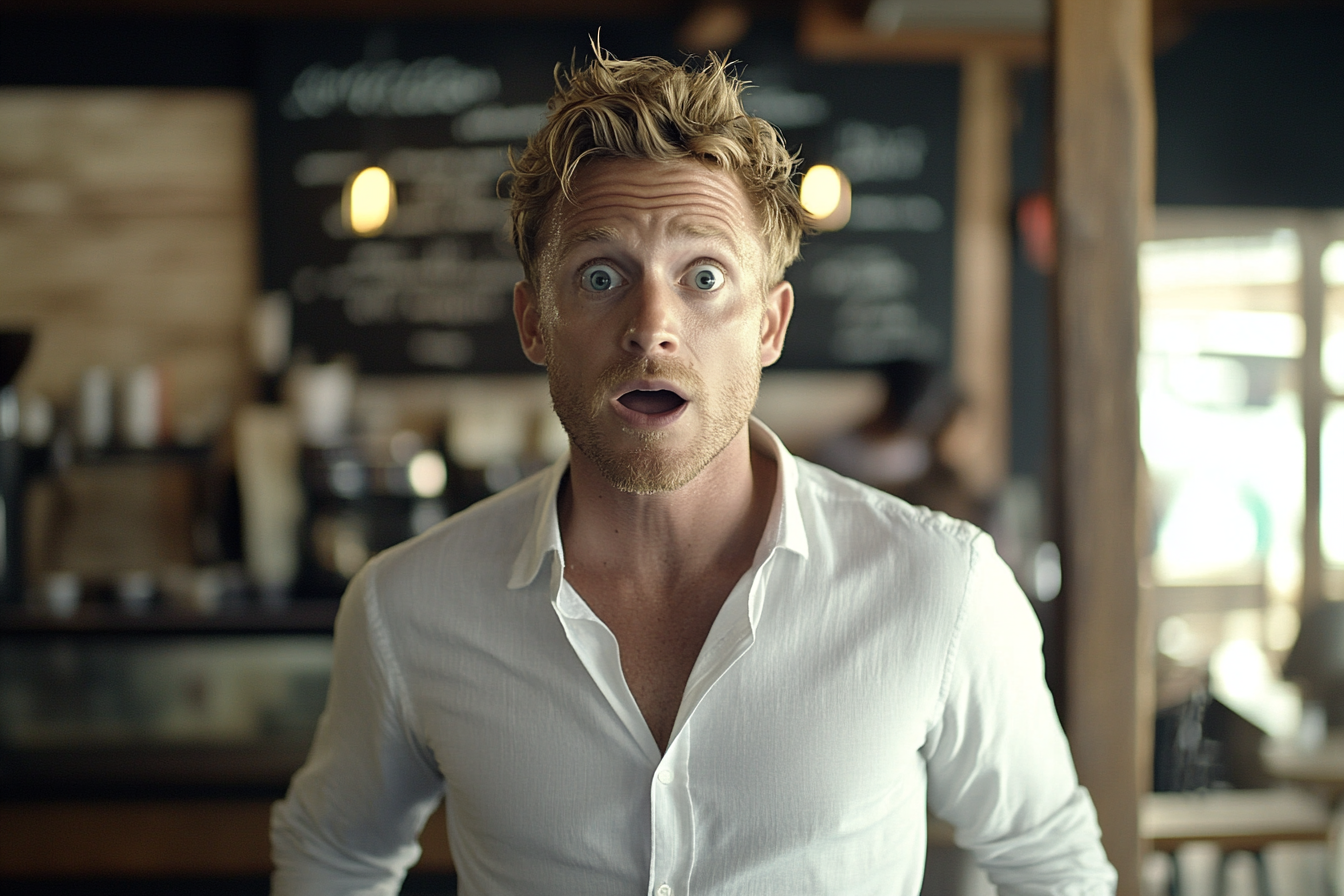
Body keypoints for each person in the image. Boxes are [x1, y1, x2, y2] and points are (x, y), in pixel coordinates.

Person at [271, 49, 1117, 896]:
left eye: (704, 277)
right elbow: (335, 856)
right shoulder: (406, 608)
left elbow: (1051, 864)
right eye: (601, 277)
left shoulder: (941, 584)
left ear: (770, 327)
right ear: (535, 322)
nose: (652, 327)